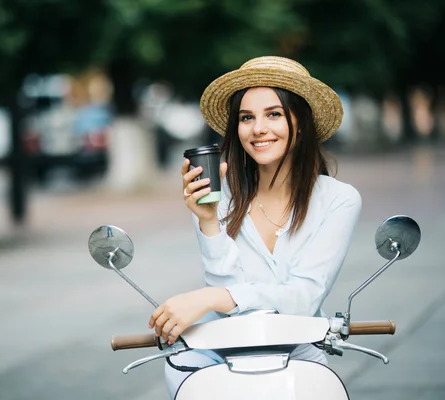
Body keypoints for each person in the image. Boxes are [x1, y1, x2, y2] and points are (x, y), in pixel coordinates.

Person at [147, 56, 362, 399]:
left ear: (301, 122)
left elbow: (303, 298)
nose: (258, 128)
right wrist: (207, 222)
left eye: (273, 114)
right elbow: (228, 306)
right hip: (225, 353)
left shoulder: (338, 199)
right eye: (246, 118)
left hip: (300, 353)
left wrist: (210, 297)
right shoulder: (219, 198)